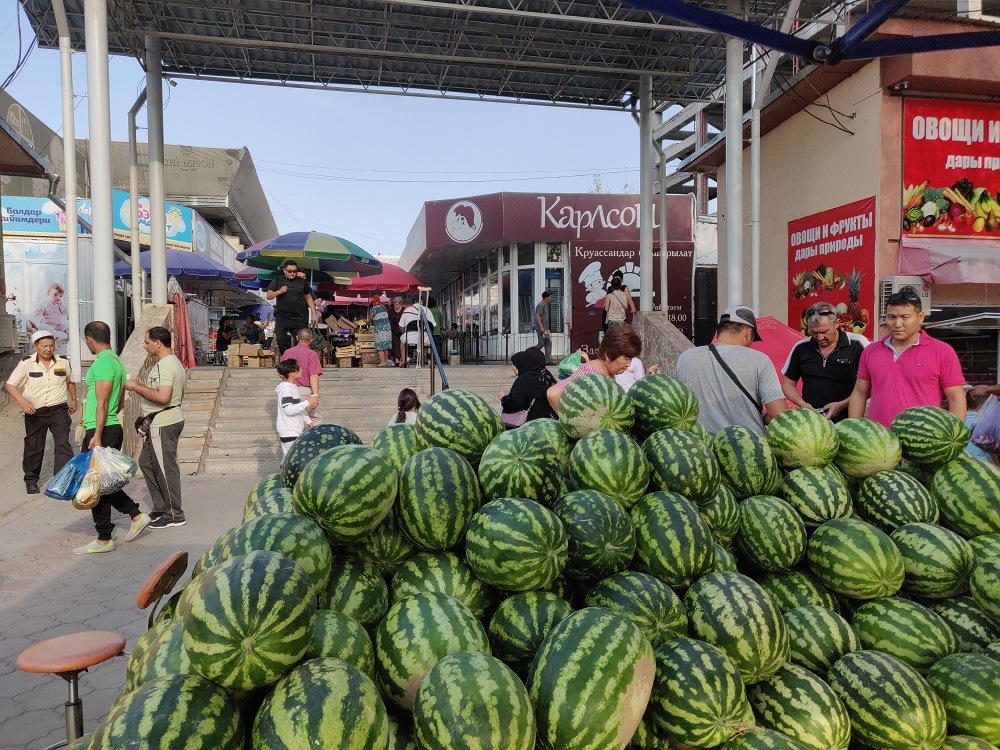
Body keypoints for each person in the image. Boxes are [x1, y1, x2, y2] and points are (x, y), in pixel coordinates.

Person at [75, 321, 150, 554]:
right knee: (103, 483)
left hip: (102, 429)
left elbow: (104, 401)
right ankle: (133, 517)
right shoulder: (116, 361)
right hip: (109, 426)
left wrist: (96, 434)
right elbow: (118, 402)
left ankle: (104, 537)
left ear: (89, 339)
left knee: (94, 484)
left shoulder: (104, 363)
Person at [847, 290, 966, 427]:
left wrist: (955, 436)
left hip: (924, 437)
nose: (897, 324)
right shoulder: (871, 351)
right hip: (880, 439)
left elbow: (956, 398)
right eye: (891, 317)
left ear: (920, 317)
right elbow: (860, 393)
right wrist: (855, 427)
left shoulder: (942, 352)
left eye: (905, 317)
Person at [674, 305, 787, 435]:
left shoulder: (686, 358)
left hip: (699, 448)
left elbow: (676, 408)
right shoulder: (760, 360)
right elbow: (779, 415)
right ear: (748, 333)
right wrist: (762, 417)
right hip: (748, 446)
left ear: (720, 330)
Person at [125, 326, 186, 529]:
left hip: (164, 422)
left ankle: (175, 514)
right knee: (147, 463)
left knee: (165, 469)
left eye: (146, 342)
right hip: (160, 420)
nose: (144, 346)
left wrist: (135, 386)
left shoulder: (166, 365)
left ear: (157, 343)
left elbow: (163, 397)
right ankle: (161, 507)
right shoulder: (168, 362)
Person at [4, 330, 77, 494]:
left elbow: (70, 381)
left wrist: (74, 399)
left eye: (51, 345)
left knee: (63, 444)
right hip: (35, 412)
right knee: (34, 446)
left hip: (58, 409)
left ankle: (62, 481)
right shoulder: (27, 363)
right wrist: (22, 402)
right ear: (35, 346)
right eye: (44, 346)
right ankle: (31, 480)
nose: (48, 349)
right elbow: (10, 385)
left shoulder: (63, 362)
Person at [781, 302, 869, 422]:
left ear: (837, 323)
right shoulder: (801, 347)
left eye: (824, 332)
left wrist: (842, 404)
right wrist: (802, 404)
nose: (820, 337)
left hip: (848, 420)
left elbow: (871, 386)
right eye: (814, 333)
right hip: (812, 421)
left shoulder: (857, 344)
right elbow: (787, 384)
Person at [547, 326, 642, 412]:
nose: (628, 364)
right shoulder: (590, 371)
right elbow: (553, 394)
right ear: (608, 355)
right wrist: (572, 425)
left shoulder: (609, 373)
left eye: (631, 359)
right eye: (626, 358)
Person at [266, 259, 320, 354]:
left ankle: (297, 360)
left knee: (300, 341)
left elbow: (309, 298)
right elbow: (268, 296)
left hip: (298, 317)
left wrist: (314, 314)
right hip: (282, 316)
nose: (292, 273)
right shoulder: (278, 280)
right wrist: (279, 291)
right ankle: (287, 357)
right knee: (280, 339)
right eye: (290, 271)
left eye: (294, 271)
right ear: (284, 270)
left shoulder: (302, 282)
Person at [275, 359, 318, 457]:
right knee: (292, 459)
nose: (302, 370)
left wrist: (307, 420)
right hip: (289, 430)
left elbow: (296, 407)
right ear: (291, 374)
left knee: (290, 458)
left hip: (293, 429)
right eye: (298, 369)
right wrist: (308, 402)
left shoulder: (292, 387)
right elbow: (289, 410)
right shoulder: (286, 389)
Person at [502, 347, 557, 422]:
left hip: (529, 424)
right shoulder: (541, 375)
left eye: (514, 365)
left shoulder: (524, 380)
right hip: (545, 421)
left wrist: (504, 398)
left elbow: (515, 403)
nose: (512, 368)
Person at [281, 329, 323, 421]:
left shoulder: (287, 352)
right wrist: (315, 395)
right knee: (315, 418)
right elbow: (313, 375)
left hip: (289, 390)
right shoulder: (311, 354)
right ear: (311, 340)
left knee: (295, 420)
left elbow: (281, 372)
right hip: (305, 391)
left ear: (297, 338)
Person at [31, 283, 69, 352]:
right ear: (49, 293)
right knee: (43, 326)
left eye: (60, 296)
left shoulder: (59, 304)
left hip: (58, 325)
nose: (58, 297)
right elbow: (37, 312)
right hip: (49, 325)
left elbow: (65, 312)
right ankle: (55, 337)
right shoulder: (44, 303)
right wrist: (43, 319)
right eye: (55, 295)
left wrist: (61, 305)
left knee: (67, 326)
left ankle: (69, 337)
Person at [369, 296, 393, 367]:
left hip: (380, 330)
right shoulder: (384, 307)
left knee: (380, 345)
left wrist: (366, 320)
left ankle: (382, 362)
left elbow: (370, 319)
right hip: (387, 330)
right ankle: (385, 361)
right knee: (385, 346)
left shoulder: (374, 309)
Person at [535, 291, 554, 365]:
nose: (550, 298)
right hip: (542, 328)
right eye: (549, 297)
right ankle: (528, 353)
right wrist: (541, 327)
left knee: (548, 343)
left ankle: (547, 361)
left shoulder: (545, 305)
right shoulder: (541, 305)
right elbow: (537, 316)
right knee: (541, 344)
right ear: (546, 297)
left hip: (545, 329)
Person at [388, 296, 405, 366]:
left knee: (402, 344)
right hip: (393, 330)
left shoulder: (404, 310)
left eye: (397, 304)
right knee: (395, 345)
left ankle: (401, 359)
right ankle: (396, 359)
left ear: (401, 304)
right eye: (395, 304)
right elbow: (389, 319)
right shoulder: (391, 310)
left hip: (402, 331)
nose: (396, 306)